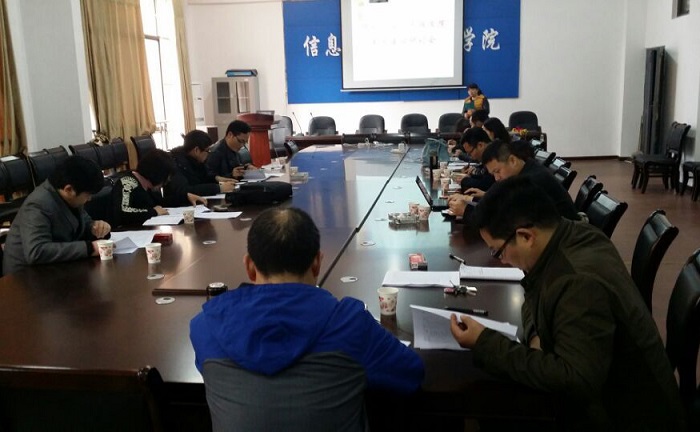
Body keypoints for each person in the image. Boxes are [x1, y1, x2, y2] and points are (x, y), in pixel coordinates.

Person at [449, 176, 685, 431]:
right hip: (613, 392)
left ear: (526, 236)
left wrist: (484, 343)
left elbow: (576, 380)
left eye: (498, 251)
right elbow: (532, 290)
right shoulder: (575, 234)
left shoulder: (578, 282)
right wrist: (536, 334)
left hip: (624, 417)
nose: (502, 260)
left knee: (492, 405)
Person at [190, 207, 424, 430]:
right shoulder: (350, 323)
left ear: (250, 267)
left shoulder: (205, 327)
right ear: (317, 264)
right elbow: (411, 372)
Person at [3, 156, 111, 275]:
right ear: (69, 189)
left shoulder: (70, 197)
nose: (89, 199)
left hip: (54, 268)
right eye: (88, 195)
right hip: (25, 277)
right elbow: (36, 252)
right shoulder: (38, 205)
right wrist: (90, 248)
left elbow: (83, 223)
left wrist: (94, 227)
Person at [113, 149, 205, 226]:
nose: (166, 182)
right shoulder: (127, 182)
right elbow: (122, 211)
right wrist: (153, 212)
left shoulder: (149, 184)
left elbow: (159, 203)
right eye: (166, 177)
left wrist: (185, 197)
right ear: (158, 174)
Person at [163, 130, 236, 207]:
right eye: (207, 150)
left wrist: (217, 179)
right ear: (196, 150)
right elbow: (184, 190)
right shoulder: (176, 163)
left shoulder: (196, 161)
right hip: (179, 207)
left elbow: (203, 179)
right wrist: (218, 188)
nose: (209, 154)